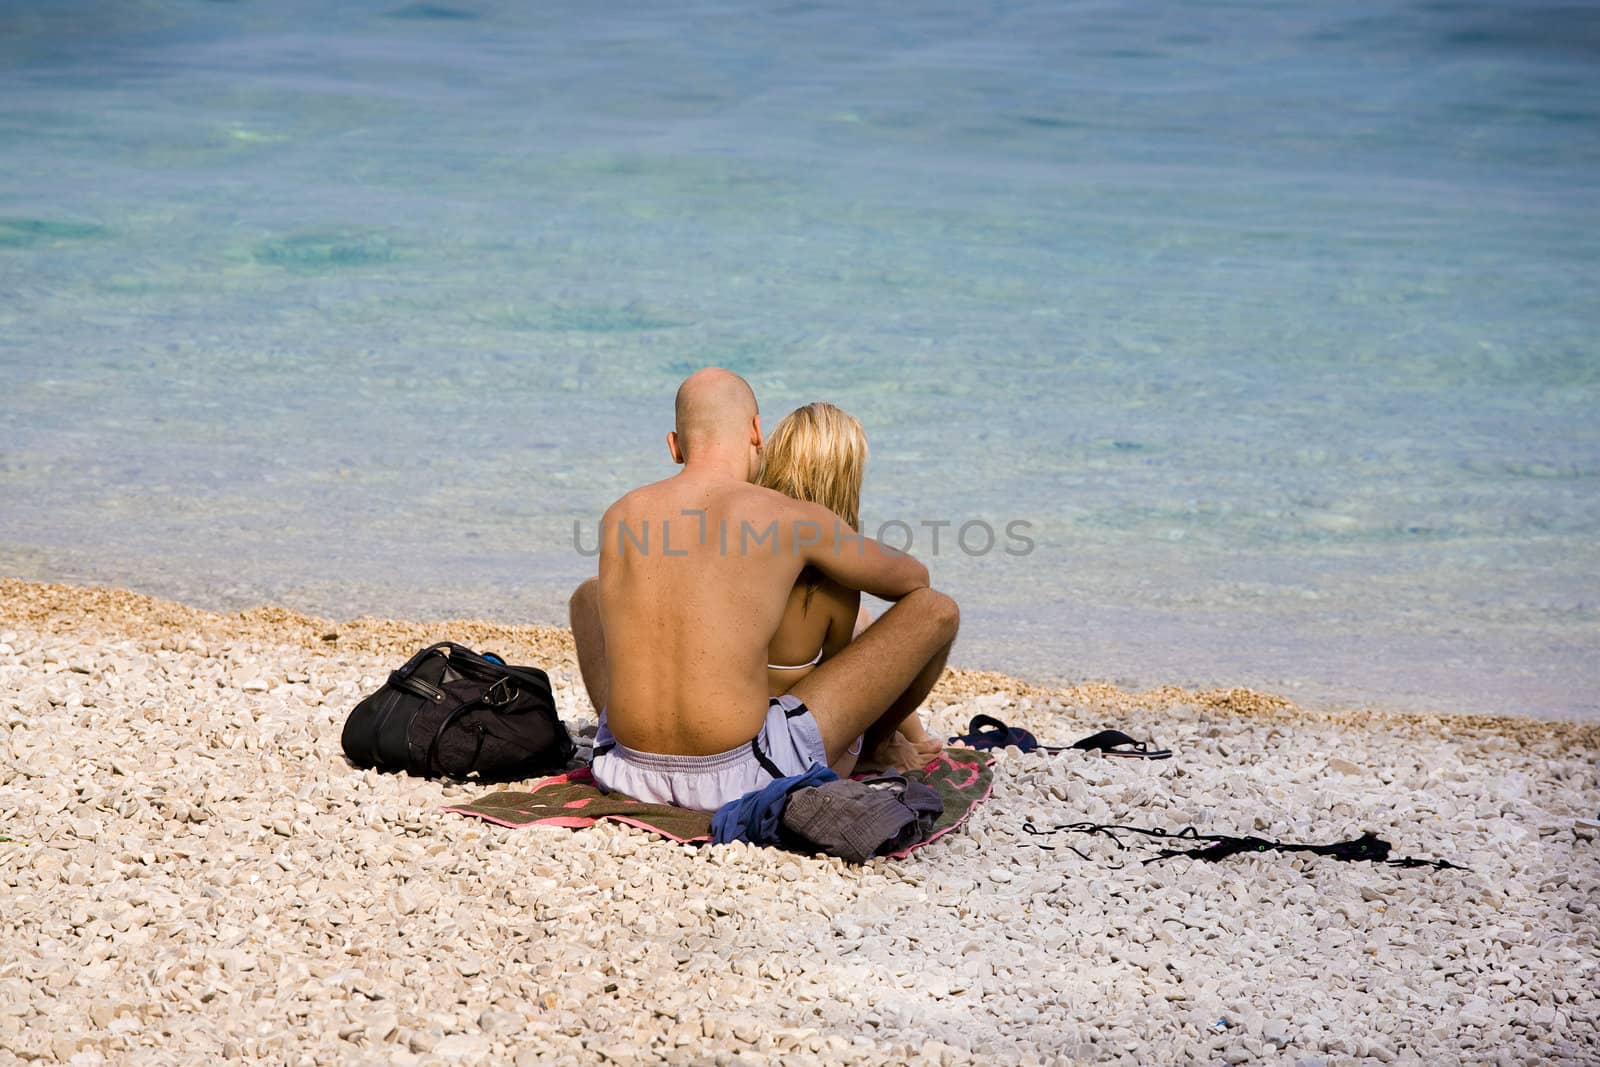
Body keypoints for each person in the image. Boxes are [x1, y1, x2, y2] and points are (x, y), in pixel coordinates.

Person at [568, 367, 958, 812]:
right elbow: (913, 581)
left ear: (674, 447)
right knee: (936, 610)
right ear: (757, 431)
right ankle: (875, 747)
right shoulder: (791, 517)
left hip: (625, 771)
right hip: (741, 775)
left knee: (588, 593)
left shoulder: (622, 513)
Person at [754, 401, 945, 777]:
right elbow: (846, 681)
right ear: (844, 479)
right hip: (798, 748)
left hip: (728, 725)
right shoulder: (835, 580)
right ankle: (886, 747)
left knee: (862, 620)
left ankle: (915, 735)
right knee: (885, 631)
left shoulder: (741, 542)